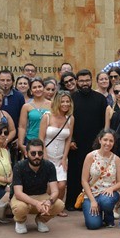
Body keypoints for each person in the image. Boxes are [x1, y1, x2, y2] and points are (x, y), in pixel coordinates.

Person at [69, 70, 109, 209]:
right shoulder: (72, 98)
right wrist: (71, 139)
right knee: (75, 173)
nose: (84, 83)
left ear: (91, 81)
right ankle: (73, 203)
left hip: (95, 144)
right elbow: (67, 120)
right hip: (76, 144)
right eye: (81, 81)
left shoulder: (100, 99)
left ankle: (94, 202)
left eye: (87, 80)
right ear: (77, 82)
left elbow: (105, 123)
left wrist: (101, 141)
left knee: (94, 174)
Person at [10, 139, 65, 234]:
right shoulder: (19, 166)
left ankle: (41, 220)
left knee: (59, 205)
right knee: (20, 208)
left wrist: (49, 201)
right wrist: (36, 203)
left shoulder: (49, 166)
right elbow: (18, 193)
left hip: (41, 196)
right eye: (33, 153)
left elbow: (55, 191)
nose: (37, 156)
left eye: (40, 153)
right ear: (26, 154)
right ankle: (20, 221)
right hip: (23, 198)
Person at [39, 89, 74, 217]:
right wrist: (44, 156)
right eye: (62, 101)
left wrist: (64, 158)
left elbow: (68, 139)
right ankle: (46, 206)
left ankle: (58, 206)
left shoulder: (70, 119)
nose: (65, 104)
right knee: (49, 185)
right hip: (47, 154)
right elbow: (41, 138)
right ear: (57, 102)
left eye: (67, 101)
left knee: (62, 184)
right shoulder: (47, 116)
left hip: (60, 157)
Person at [81, 130, 120, 230]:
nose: (108, 143)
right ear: (99, 140)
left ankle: (109, 217)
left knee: (105, 201)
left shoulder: (116, 159)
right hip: (92, 194)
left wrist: (111, 188)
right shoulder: (90, 156)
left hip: (109, 194)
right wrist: (92, 201)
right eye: (105, 140)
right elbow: (84, 181)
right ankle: (99, 213)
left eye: (111, 141)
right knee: (93, 225)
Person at [17, 78, 50, 158]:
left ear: (44, 88)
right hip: (31, 140)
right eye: (34, 87)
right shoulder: (26, 106)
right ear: (31, 90)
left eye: (40, 86)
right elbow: (22, 127)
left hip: (48, 140)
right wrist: (21, 143)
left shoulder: (52, 105)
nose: (37, 89)